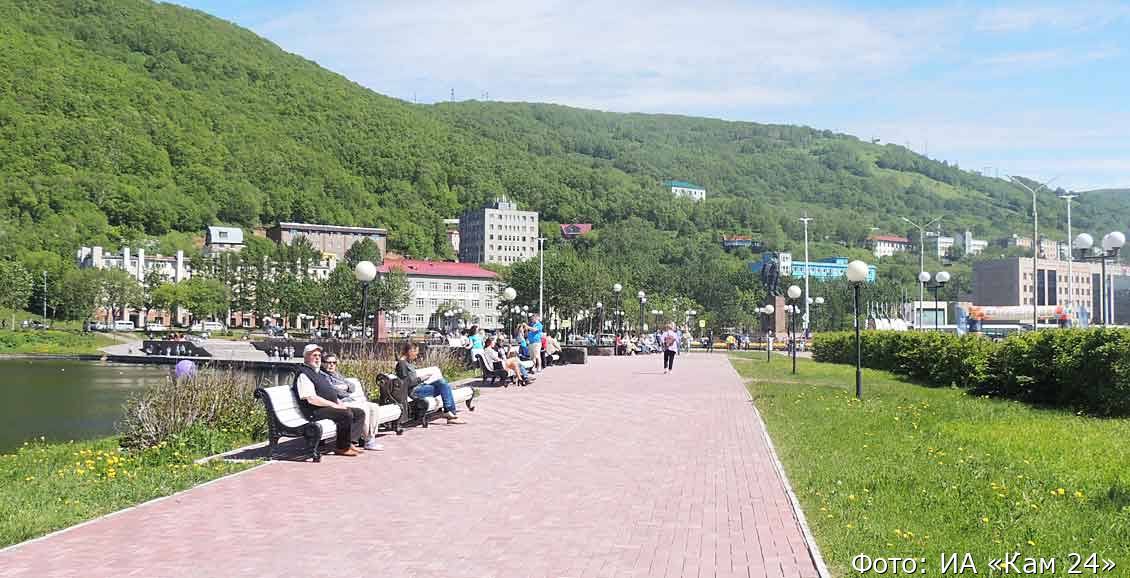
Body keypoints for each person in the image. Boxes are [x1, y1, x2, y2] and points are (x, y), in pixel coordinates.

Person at [293, 344, 366, 457]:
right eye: (314, 355)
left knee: (359, 413)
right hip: (314, 411)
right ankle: (342, 447)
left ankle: (350, 443)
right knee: (345, 414)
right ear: (306, 357)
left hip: (325, 407)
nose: (317, 358)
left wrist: (338, 402)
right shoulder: (304, 374)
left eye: (319, 355)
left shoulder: (317, 373)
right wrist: (334, 405)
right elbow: (311, 398)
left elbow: (329, 392)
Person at [321, 353, 384, 451]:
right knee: (364, 409)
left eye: (334, 362)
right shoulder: (323, 376)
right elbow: (334, 391)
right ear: (323, 364)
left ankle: (371, 437)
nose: (331, 365)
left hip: (350, 400)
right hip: (340, 402)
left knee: (374, 407)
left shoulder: (337, 375)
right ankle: (367, 440)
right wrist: (344, 388)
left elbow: (352, 387)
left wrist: (344, 387)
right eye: (328, 362)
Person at [396, 342, 465, 424]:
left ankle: (450, 413)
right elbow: (405, 383)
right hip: (414, 391)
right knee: (443, 385)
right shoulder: (402, 364)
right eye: (416, 353)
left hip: (419, 387)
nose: (416, 356)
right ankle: (450, 413)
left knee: (443, 384)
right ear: (410, 351)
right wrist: (421, 378)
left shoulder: (407, 362)